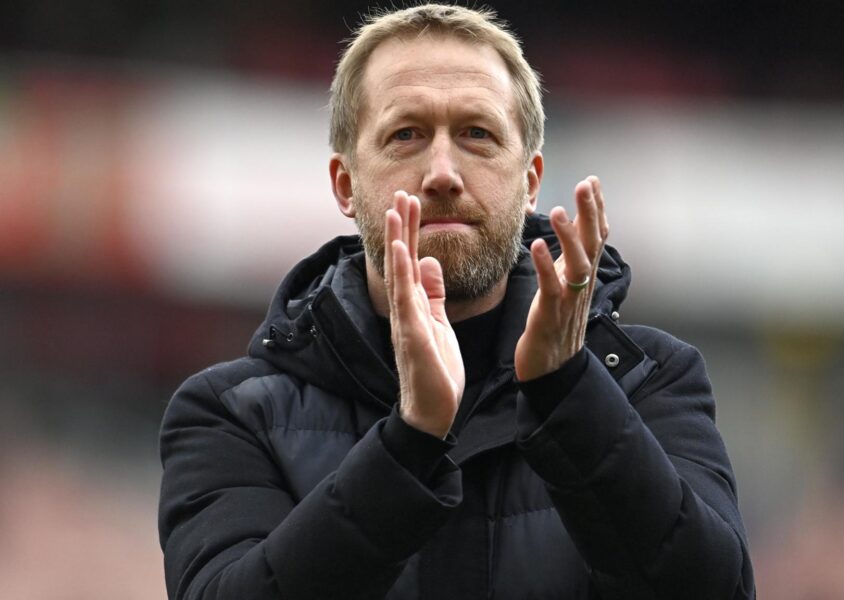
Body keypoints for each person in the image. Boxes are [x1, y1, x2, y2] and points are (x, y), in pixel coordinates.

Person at [157, 4, 754, 599]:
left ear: (529, 181)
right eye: (406, 135)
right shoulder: (229, 415)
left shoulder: (651, 381)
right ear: (346, 184)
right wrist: (410, 444)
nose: (442, 172)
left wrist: (568, 393)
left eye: (477, 134)